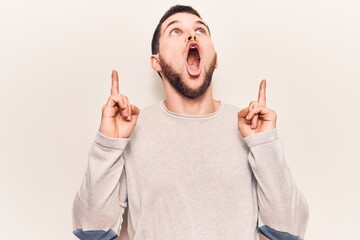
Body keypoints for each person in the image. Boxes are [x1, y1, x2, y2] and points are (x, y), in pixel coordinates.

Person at [72, 5, 309, 240]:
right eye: (175, 31)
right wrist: (108, 145)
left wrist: (264, 143)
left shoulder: (250, 127)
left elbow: (288, 230)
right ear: (156, 62)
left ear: (214, 58)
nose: (192, 34)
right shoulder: (130, 128)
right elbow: (93, 230)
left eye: (201, 30)